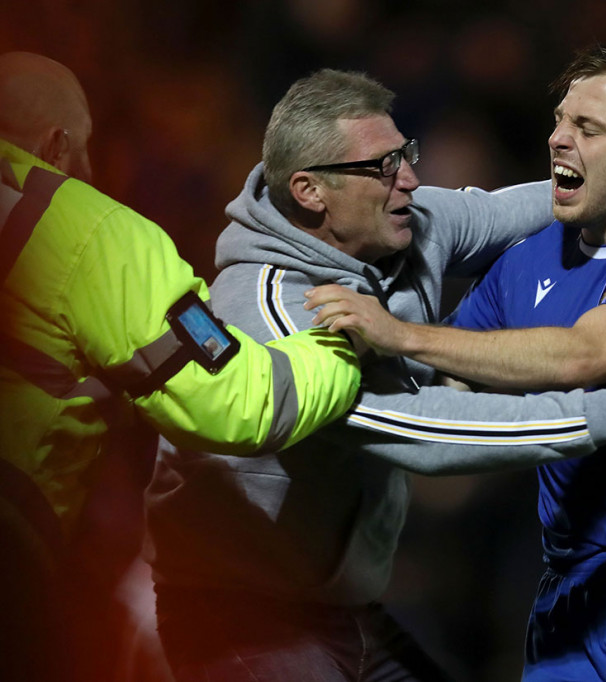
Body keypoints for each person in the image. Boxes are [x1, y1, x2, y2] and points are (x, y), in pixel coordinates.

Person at [144, 59, 606, 680]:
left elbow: (577, 330)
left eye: (406, 155)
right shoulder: (280, 313)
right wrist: (417, 348)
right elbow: (428, 426)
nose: (410, 178)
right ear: (311, 192)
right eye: (385, 167)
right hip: (246, 604)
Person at [310, 44, 606, 681]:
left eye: (587, 128)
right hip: (573, 599)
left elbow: (586, 355)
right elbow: (452, 387)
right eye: (560, 120)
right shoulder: (527, 262)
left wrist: (400, 334)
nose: (557, 140)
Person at [0, 51, 363, 682]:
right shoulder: (84, 231)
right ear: (56, 145)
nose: (88, 170)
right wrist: (342, 340)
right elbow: (232, 400)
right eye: (83, 150)